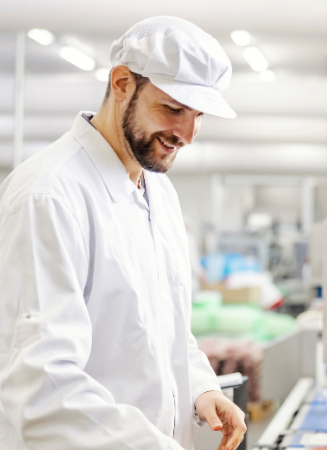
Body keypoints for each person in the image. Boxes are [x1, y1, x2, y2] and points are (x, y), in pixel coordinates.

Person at [0, 16, 246, 450]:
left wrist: (201, 388)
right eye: (173, 109)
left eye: (198, 116)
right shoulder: (51, 195)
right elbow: (42, 391)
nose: (187, 135)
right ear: (121, 84)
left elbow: (166, 329)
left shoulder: (160, 194)